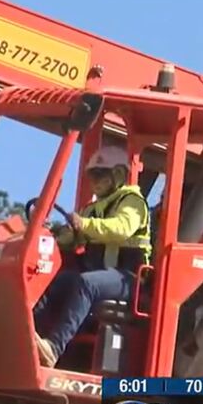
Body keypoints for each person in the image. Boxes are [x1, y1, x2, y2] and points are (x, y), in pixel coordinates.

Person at [33, 145, 152, 367]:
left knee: (86, 283)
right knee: (54, 281)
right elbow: (71, 238)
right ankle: (28, 334)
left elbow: (120, 228)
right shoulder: (92, 208)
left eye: (100, 175)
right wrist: (51, 233)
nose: (95, 181)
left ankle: (53, 347)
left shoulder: (133, 202)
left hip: (128, 278)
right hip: (101, 275)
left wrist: (84, 225)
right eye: (92, 175)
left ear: (118, 174)